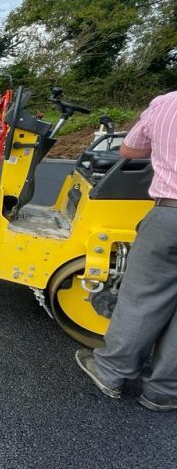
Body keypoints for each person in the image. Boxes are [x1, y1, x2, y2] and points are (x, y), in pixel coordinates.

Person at [75, 90, 177, 412]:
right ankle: (164, 391)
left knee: (142, 297)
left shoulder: (167, 104)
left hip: (170, 214)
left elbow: (129, 149)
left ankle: (111, 371)